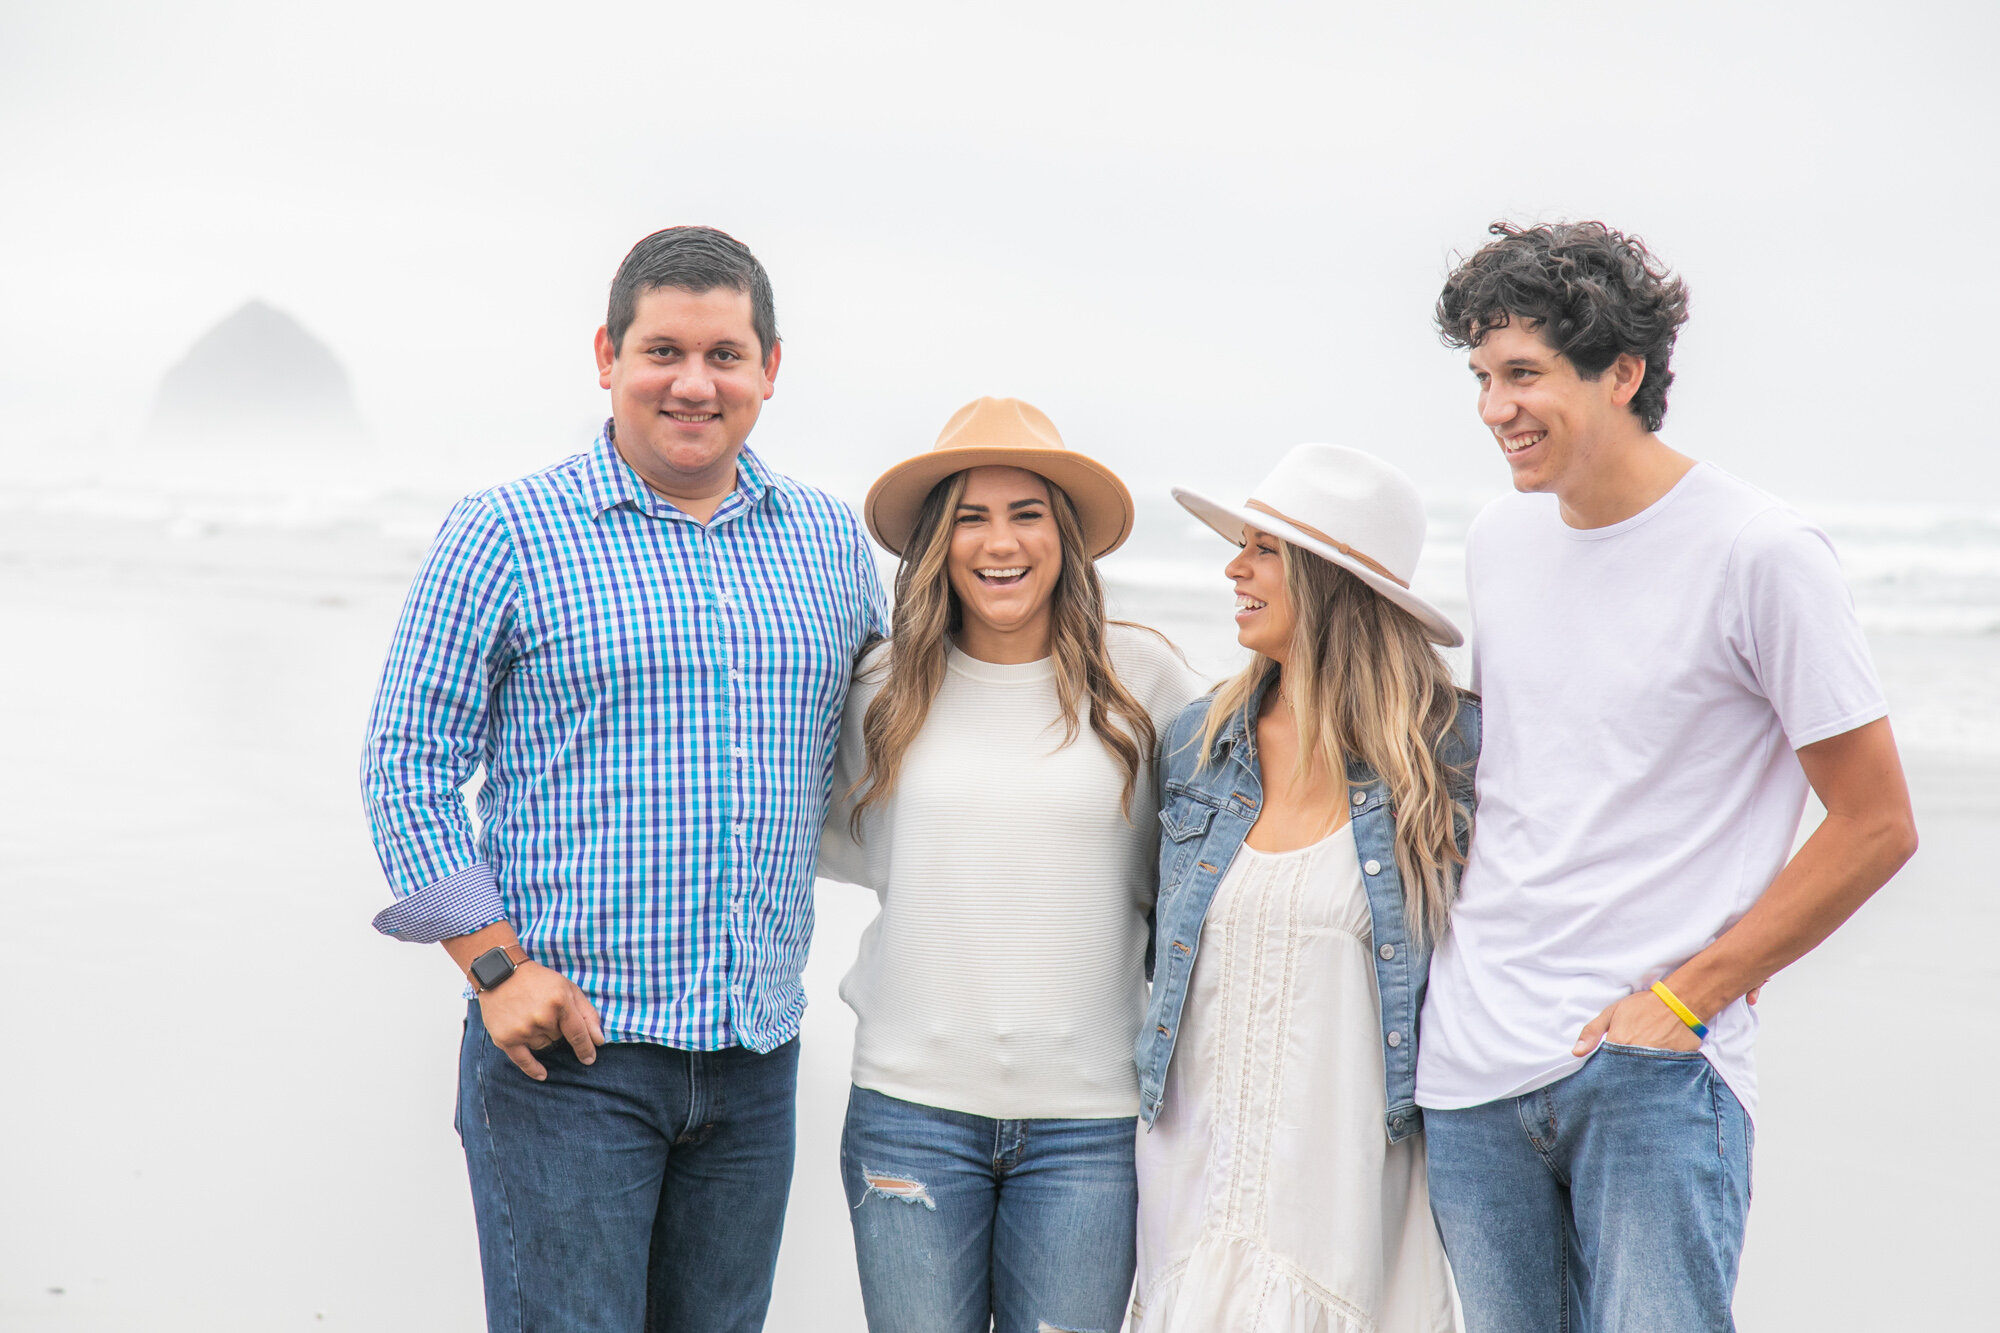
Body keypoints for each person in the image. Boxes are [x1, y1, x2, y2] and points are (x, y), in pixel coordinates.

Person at [359, 226, 885, 1333]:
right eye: (661, 350)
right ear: (606, 354)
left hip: (754, 1055)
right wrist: (493, 965)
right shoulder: (504, 532)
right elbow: (406, 760)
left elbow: (885, 748)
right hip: (568, 1056)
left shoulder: (830, 543)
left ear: (769, 369)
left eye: (725, 354)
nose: (692, 383)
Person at [1416, 221, 1919, 1333]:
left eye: (1522, 375)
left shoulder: (1760, 552)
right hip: (1472, 1070)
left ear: (1622, 372)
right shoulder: (1499, 540)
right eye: (1480, 378)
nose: (1493, 408)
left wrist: (1687, 995)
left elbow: (1874, 823)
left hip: (1649, 1071)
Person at [816, 397, 1202, 1333]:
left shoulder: (1144, 681)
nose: (1001, 543)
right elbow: (848, 849)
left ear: (1064, 536)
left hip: (1092, 1126)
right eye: (970, 517)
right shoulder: (880, 689)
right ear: (937, 542)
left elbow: (1193, 873)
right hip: (910, 1111)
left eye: (1027, 513)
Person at [1130, 443, 1480, 1333]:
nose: (1233, 567)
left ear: (1328, 581)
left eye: (1263, 549)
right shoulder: (1196, 746)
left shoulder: (1450, 756)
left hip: (1350, 1214)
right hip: (1191, 1198)